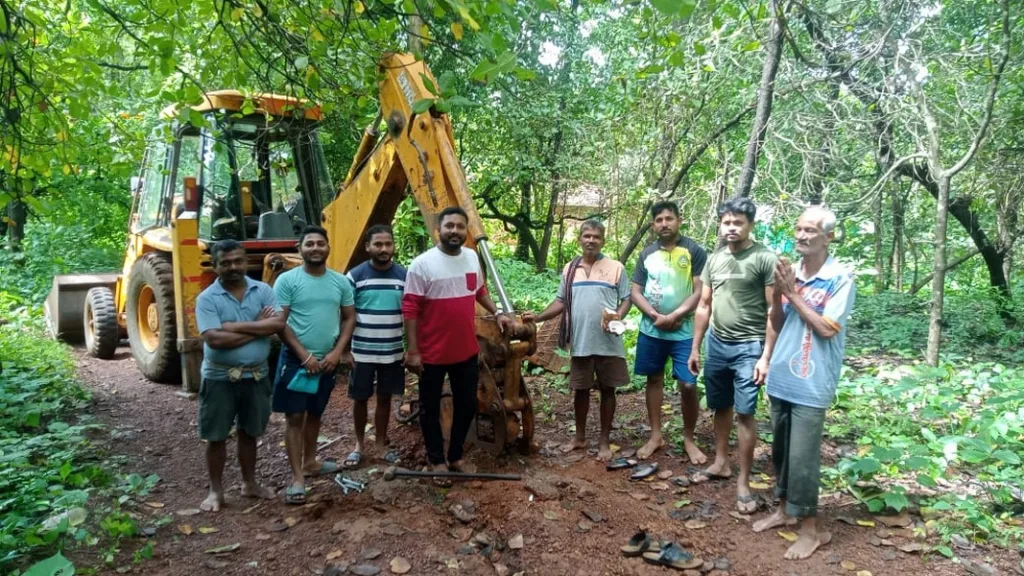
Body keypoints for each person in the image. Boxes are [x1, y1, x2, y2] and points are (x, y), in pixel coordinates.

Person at [752, 206, 855, 560]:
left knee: (804, 457)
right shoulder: (790, 273)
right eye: (798, 228)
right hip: (783, 374)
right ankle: (784, 510)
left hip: (813, 380)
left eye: (811, 230)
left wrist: (792, 293)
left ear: (828, 237)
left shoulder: (839, 277)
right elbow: (778, 323)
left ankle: (811, 529)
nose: (802, 235)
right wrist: (779, 294)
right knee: (780, 450)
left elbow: (827, 329)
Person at [402, 207, 513, 479]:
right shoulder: (422, 264)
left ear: (466, 231)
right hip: (431, 354)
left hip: (466, 351)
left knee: (467, 405)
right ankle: (436, 460)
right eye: (449, 225)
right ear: (438, 230)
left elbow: (479, 291)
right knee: (429, 409)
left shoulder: (471, 257)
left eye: (460, 226)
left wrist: (498, 312)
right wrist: (413, 350)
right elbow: (410, 309)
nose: (455, 231)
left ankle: (456, 456)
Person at [688, 196, 778, 514]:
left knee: (745, 412)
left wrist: (766, 356)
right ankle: (720, 462)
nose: (731, 227)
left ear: (750, 225)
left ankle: (744, 480)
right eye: (727, 222)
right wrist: (696, 346)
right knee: (721, 406)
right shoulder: (714, 260)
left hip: (750, 347)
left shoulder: (765, 258)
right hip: (718, 344)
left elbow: (772, 310)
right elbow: (704, 305)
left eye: (738, 222)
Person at [523, 220, 631, 461]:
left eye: (596, 236)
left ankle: (604, 440)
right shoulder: (570, 269)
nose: (591, 240)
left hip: (609, 341)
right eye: (587, 236)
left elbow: (626, 298)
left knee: (608, 389)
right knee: (580, 390)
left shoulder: (616, 268)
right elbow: (561, 301)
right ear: (580, 239)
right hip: (581, 340)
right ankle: (580, 437)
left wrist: (617, 317)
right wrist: (538, 316)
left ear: (603, 240)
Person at [194, 240, 285, 512]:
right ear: (216, 265)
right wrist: (260, 326)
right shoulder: (207, 298)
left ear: (246, 262)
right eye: (225, 262)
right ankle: (215, 491)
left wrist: (234, 327)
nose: (233, 267)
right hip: (219, 378)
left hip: (256, 377)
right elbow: (214, 339)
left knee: (249, 431)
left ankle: (249, 483)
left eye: (237, 261)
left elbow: (278, 323)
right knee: (216, 435)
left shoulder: (264, 290)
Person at [273, 225, 356, 505]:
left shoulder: (340, 282)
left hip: (328, 361)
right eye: (309, 244)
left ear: (328, 247)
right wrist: (305, 356)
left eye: (320, 243)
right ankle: (297, 478)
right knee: (294, 416)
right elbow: (279, 322)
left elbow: (348, 318)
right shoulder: (287, 280)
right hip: (297, 360)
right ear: (300, 248)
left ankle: (310, 462)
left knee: (315, 412)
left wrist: (337, 352)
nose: (315, 248)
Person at [630, 200, 708, 463]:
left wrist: (675, 315)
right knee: (653, 379)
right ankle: (655, 436)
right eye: (659, 220)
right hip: (652, 330)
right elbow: (636, 291)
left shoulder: (694, 251)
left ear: (679, 220)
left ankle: (688, 438)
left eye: (669, 218)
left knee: (688, 383)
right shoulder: (646, 254)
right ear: (653, 225)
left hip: (684, 330)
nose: (664, 223)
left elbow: (699, 291)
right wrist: (654, 316)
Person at [344, 224, 407, 468]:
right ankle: (359, 445)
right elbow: (345, 315)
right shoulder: (355, 276)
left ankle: (381, 444)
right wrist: (345, 350)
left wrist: (409, 348)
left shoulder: (404, 276)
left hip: (392, 352)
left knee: (384, 399)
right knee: (359, 398)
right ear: (367, 246)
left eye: (388, 244)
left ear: (393, 246)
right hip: (361, 352)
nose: (383, 249)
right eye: (378, 244)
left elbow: (411, 314)